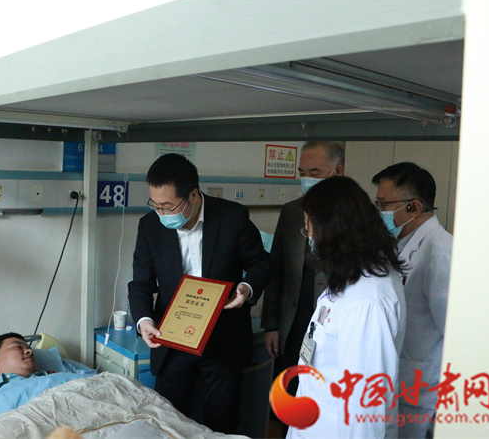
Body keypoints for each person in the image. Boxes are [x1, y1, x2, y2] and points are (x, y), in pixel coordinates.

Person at [127, 153, 270, 434]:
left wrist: (246, 289)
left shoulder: (231, 217)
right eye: (155, 205)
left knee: (221, 421)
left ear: (193, 195)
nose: (161, 213)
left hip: (223, 339)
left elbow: (260, 263)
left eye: (168, 206)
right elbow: (141, 283)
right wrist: (144, 321)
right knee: (170, 421)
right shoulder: (150, 226)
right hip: (173, 340)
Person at [287, 176, 406, 438]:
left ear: (332, 230)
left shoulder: (368, 302)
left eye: (309, 228)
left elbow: (366, 406)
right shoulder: (350, 276)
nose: (309, 237)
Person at [372, 162, 452, 438]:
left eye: (384, 204)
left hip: (422, 387)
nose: (379, 211)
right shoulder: (396, 246)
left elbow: (453, 333)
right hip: (397, 378)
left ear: (414, 207)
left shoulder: (440, 252)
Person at [261, 141, 345, 402]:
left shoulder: (351, 216)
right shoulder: (292, 212)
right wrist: (271, 325)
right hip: (293, 321)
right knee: (288, 394)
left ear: (337, 172)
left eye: (315, 173)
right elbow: (276, 270)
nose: (307, 179)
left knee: (321, 395)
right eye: (303, 173)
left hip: (330, 322)